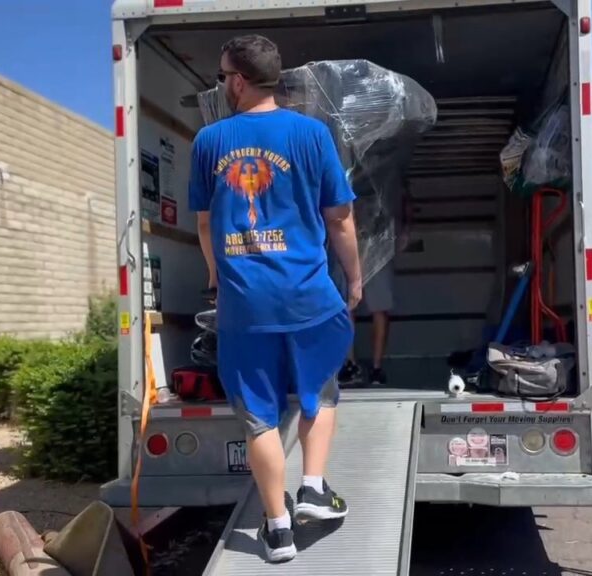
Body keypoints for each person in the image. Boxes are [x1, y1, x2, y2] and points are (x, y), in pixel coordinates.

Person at [188, 35, 362, 563]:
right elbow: (340, 218)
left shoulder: (210, 140)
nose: (222, 84)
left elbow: (204, 224)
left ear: (239, 81)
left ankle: (278, 529)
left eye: (222, 76)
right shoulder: (312, 134)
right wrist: (354, 278)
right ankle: (313, 487)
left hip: (245, 304)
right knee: (320, 393)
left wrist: (216, 275)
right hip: (309, 296)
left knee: (259, 416)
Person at [337, 182, 413, 387]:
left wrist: (405, 229)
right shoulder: (345, 168)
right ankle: (350, 364)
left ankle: (376, 368)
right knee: (346, 306)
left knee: (378, 306)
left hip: (379, 242)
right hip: (349, 241)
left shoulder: (387, 169)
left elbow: (403, 195)